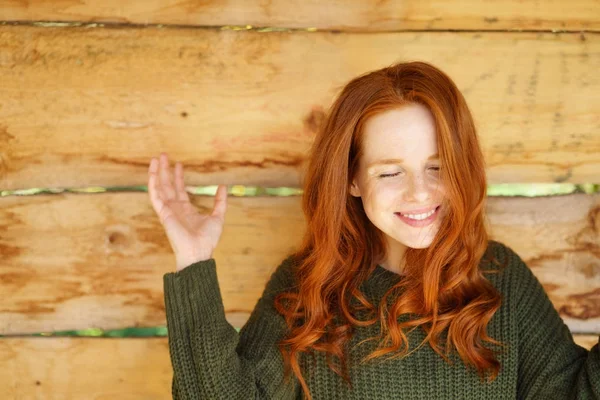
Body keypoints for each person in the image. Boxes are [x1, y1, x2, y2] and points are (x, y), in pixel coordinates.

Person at [148, 61, 600, 399]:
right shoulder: (307, 287)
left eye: (436, 167)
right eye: (390, 173)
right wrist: (194, 260)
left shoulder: (499, 277)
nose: (421, 193)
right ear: (353, 179)